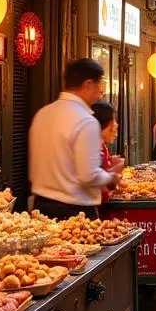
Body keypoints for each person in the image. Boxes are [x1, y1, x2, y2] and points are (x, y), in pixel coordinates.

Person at [29, 57, 123, 219]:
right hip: (74, 211)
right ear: (88, 85)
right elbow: (88, 175)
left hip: (41, 208)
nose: (99, 92)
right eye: (98, 86)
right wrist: (111, 177)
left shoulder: (43, 114)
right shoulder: (86, 121)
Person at [91, 100, 119, 208]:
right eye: (113, 120)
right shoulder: (94, 148)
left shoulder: (101, 146)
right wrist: (113, 176)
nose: (116, 125)